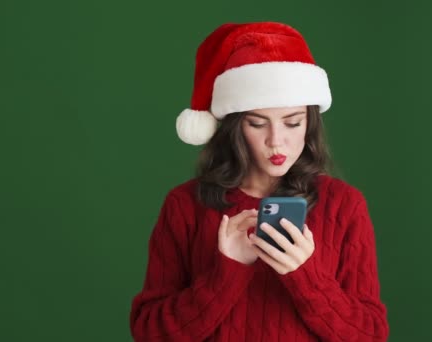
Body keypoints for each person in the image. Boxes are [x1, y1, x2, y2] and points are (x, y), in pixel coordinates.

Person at [129, 22, 389, 341]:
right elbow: (148, 332)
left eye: (292, 122)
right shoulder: (184, 205)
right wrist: (226, 272)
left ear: (309, 124)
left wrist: (306, 276)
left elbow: (370, 335)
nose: (276, 141)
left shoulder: (344, 205)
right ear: (235, 127)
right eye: (257, 123)